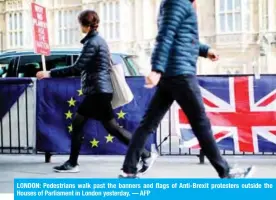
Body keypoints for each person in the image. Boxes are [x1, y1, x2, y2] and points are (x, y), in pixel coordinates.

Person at [119, 0, 255, 178]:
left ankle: (129, 169)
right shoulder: (177, 3)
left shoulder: (177, 4)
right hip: (180, 74)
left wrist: (205, 50)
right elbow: (165, 37)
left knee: (148, 124)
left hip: (172, 74)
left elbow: (182, 39)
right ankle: (225, 171)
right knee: (200, 123)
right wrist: (156, 69)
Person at [36, 9, 157, 173]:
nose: (80, 27)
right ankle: (144, 153)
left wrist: (49, 73)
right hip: (99, 91)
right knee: (104, 127)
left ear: (85, 25)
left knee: (92, 125)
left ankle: (73, 163)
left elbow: (78, 67)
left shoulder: (93, 43)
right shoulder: (96, 41)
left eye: (80, 24)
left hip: (98, 92)